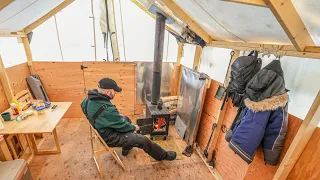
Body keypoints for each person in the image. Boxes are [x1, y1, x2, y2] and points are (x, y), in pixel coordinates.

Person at [81, 78, 176, 161]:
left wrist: (102, 120)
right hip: (109, 137)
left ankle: (126, 148)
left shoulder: (88, 99)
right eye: (115, 91)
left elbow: (84, 108)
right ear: (107, 92)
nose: (116, 93)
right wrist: (134, 127)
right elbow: (122, 126)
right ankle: (163, 155)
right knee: (143, 140)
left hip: (101, 128)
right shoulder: (107, 109)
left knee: (126, 118)